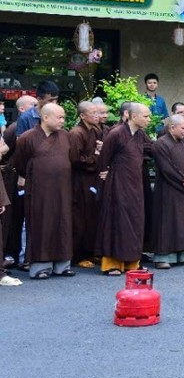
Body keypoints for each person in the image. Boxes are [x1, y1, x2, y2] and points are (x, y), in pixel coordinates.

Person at [13, 103, 75, 280]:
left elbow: (72, 158)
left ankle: (62, 264)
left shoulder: (65, 136)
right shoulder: (28, 137)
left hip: (62, 188)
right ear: (45, 117)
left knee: (63, 222)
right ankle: (41, 265)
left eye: (64, 117)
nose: (63, 121)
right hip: (39, 188)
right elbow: (20, 162)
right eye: (60, 117)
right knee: (42, 223)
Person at [97, 103, 151, 276]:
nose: (149, 120)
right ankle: (112, 263)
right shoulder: (116, 133)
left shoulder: (141, 134)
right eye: (146, 116)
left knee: (134, 220)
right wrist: (104, 173)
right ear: (133, 116)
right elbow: (104, 158)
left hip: (135, 184)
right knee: (116, 220)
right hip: (117, 183)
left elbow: (152, 149)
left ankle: (131, 262)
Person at [150, 115, 184, 268]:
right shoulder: (161, 144)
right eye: (183, 128)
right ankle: (163, 257)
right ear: (172, 128)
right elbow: (167, 168)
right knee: (167, 222)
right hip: (168, 190)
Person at [68, 101, 104, 268]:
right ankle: (77, 255)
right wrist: (96, 157)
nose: (97, 115)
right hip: (80, 180)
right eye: (93, 112)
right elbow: (76, 159)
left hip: (93, 178)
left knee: (92, 216)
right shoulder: (76, 133)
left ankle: (91, 251)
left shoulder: (96, 130)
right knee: (79, 218)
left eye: (98, 112)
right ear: (82, 116)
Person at [1, 95, 35, 268]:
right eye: (33, 105)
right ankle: (11, 253)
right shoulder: (14, 128)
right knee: (13, 215)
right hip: (14, 177)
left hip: (27, 176)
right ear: (22, 109)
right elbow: (4, 151)